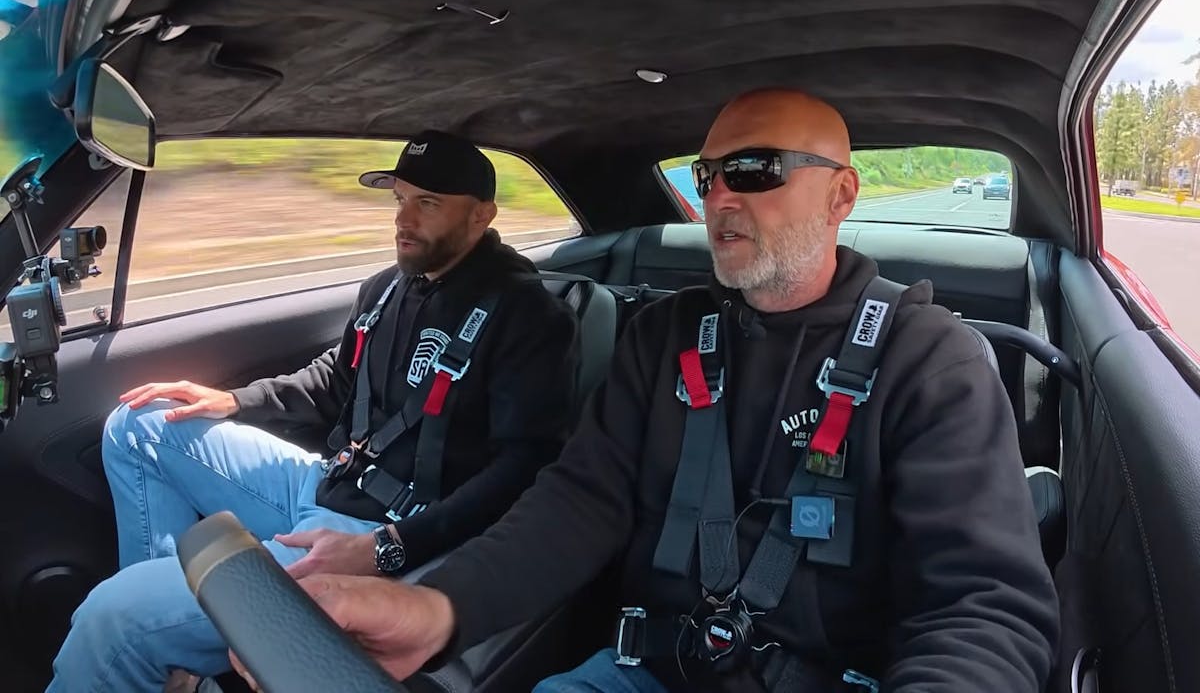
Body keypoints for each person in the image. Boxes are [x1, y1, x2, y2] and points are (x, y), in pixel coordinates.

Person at [234, 90, 1060, 692]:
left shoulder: (930, 361)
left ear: (841, 193)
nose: (720, 197)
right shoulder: (667, 339)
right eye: (708, 176)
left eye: (753, 170)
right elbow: (578, 501)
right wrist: (439, 608)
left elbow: (981, 609)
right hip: (644, 675)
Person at [47, 130, 581, 692]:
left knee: (113, 617)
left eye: (427, 203)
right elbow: (335, 382)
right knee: (140, 423)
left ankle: (147, 636)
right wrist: (233, 400)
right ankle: (169, 659)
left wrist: (384, 549)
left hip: (390, 527)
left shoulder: (529, 317)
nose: (403, 219)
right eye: (400, 198)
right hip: (325, 480)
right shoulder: (386, 289)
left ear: (481, 216)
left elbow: (522, 471)